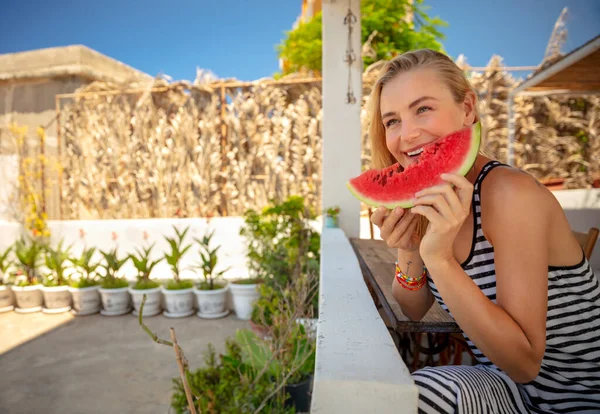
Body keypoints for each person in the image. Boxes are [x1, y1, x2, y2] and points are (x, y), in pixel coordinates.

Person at [368, 49, 600, 414]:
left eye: (423, 109)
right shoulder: (434, 195)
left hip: (573, 401)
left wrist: (440, 259)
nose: (407, 134)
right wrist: (410, 247)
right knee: (401, 394)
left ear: (467, 109)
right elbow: (414, 309)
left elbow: (526, 363)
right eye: (392, 121)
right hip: (508, 388)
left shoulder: (510, 193)